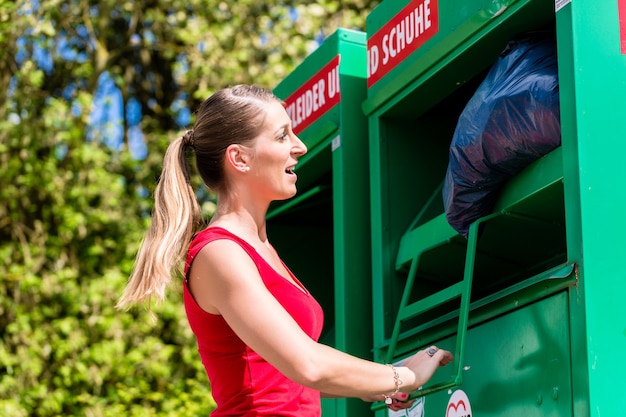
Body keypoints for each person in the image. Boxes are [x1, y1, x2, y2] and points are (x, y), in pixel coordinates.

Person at [117, 84, 453, 416]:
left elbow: (284, 373)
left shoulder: (259, 248)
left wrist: (378, 383)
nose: (300, 147)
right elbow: (307, 364)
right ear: (239, 158)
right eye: (282, 136)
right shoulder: (220, 253)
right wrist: (404, 377)